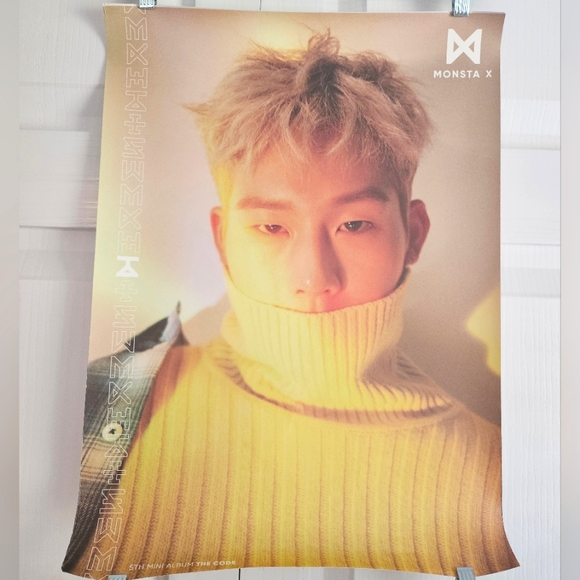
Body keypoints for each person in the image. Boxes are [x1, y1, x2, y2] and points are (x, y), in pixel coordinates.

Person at [62, 32, 518, 579]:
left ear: (413, 234)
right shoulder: (104, 401)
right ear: (222, 239)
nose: (313, 278)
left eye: (355, 224)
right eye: (271, 227)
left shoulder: (498, 470)